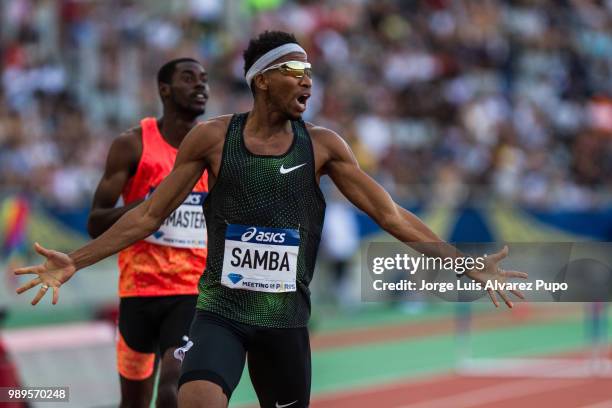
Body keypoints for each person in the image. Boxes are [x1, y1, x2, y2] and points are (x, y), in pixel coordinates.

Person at [14, 31, 527, 408]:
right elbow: (148, 215)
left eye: (310, 73)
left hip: (284, 321)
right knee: (190, 397)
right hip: (219, 312)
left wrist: (462, 263)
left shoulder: (324, 146)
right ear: (262, 80)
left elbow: (389, 213)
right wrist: (75, 263)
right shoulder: (213, 139)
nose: (307, 82)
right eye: (294, 72)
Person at [86, 58, 209, 408]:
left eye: (204, 79)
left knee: (173, 389)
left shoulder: (214, 148)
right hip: (137, 293)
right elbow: (95, 222)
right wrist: (149, 205)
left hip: (191, 291)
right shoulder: (133, 146)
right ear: (164, 90)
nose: (201, 86)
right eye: (189, 78)